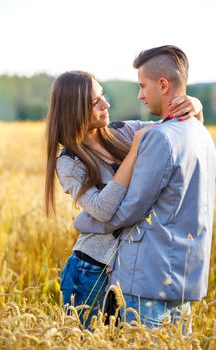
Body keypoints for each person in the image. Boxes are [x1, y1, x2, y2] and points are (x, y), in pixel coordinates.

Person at [45, 69, 204, 325]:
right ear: (74, 109)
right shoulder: (68, 162)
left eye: (103, 95)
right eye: (95, 101)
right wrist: (134, 154)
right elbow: (102, 209)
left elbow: (174, 129)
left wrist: (195, 105)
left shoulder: (125, 131)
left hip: (133, 270)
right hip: (90, 271)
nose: (106, 104)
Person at [74, 46, 216, 331]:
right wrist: (196, 105)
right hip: (185, 278)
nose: (140, 95)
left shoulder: (160, 138)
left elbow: (129, 209)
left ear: (163, 84)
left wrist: (84, 221)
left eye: (142, 86)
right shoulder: (201, 133)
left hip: (148, 280)